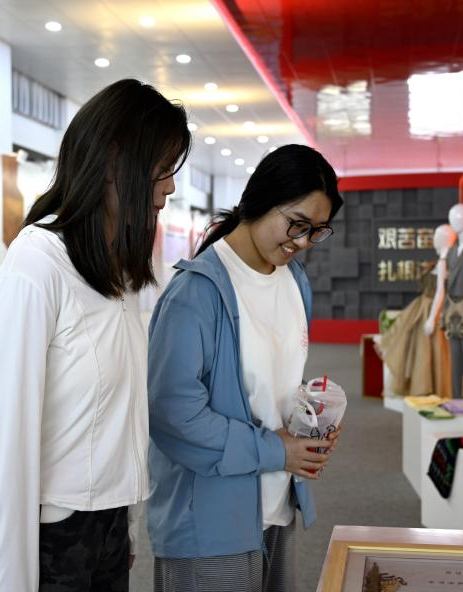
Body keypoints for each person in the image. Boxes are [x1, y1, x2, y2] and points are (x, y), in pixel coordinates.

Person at [0, 79, 191, 592]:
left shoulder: (121, 269)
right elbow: (10, 435)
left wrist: (125, 523)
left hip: (104, 522)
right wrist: (11, 578)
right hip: (42, 528)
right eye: (161, 168)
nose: (170, 188)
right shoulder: (37, 262)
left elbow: (122, 412)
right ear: (113, 160)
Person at [146, 144, 344, 592]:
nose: (303, 242)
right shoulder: (195, 293)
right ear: (260, 200)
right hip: (209, 525)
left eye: (317, 231)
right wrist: (277, 452)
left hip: (277, 507)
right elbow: (174, 417)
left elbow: (275, 383)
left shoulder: (295, 281)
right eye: (297, 224)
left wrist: (312, 421)